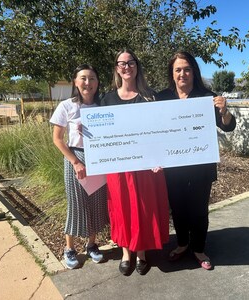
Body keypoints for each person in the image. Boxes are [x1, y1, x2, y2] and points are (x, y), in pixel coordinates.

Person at [157, 51, 236, 270]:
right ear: (172, 74)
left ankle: (199, 249)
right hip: (173, 166)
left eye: (187, 69)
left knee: (199, 209)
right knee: (178, 208)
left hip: (200, 165)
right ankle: (182, 244)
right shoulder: (162, 97)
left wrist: (224, 112)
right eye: (178, 69)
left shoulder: (207, 97)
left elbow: (228, 126)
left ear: (194, 71)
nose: (183, 74)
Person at [101, 49, 169, 276]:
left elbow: (161, 131)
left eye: (131, 62)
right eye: (121, 63)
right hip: (119, 168)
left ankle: (141, 252)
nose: (126, 66)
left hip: (147, 167)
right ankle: (125, 253)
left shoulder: (150, 96)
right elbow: (102, 134)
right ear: (116, 68)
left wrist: (161, 157)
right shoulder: (107, 99)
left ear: (137, 67)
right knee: (122, 210)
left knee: (143, 208)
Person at [50, 64, 109, 269]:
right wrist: (75, 162)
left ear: (97, 82)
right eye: (83, 78)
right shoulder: (67, 106)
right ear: (75, 82)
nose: (87, 83)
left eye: (92, 78)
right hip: (75, 158)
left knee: (96, 203)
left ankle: (92, 244)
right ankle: (70, 249)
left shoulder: (103, 105)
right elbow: (57, 139)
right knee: (77, 205)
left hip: (99, 158)